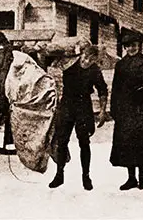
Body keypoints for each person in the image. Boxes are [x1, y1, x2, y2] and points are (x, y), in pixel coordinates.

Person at [49, 45, 108, 191]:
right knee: (62, 140)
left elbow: (102, 90)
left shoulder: (95, 70)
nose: (87, 61)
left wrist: (102, 111)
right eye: (86, 57)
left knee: (84, 142)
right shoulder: (69, 64)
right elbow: (52, 61)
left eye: (91, 59)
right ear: (81, 54)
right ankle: (59, 174)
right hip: (67, 104)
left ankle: (86, 177)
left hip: (83, 106)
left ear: (95, 59)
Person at [109, 32, 143, 190]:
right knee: (127, 144)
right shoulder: (120, 65)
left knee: (142, 142)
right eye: (127, 46)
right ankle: (131, 178)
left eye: (133, 45)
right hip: (125, 110)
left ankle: (142, 177)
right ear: (124, 48)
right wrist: (114, 109)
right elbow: (116, 88)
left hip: (141, 108)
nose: (131, 48)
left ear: (138, 46)